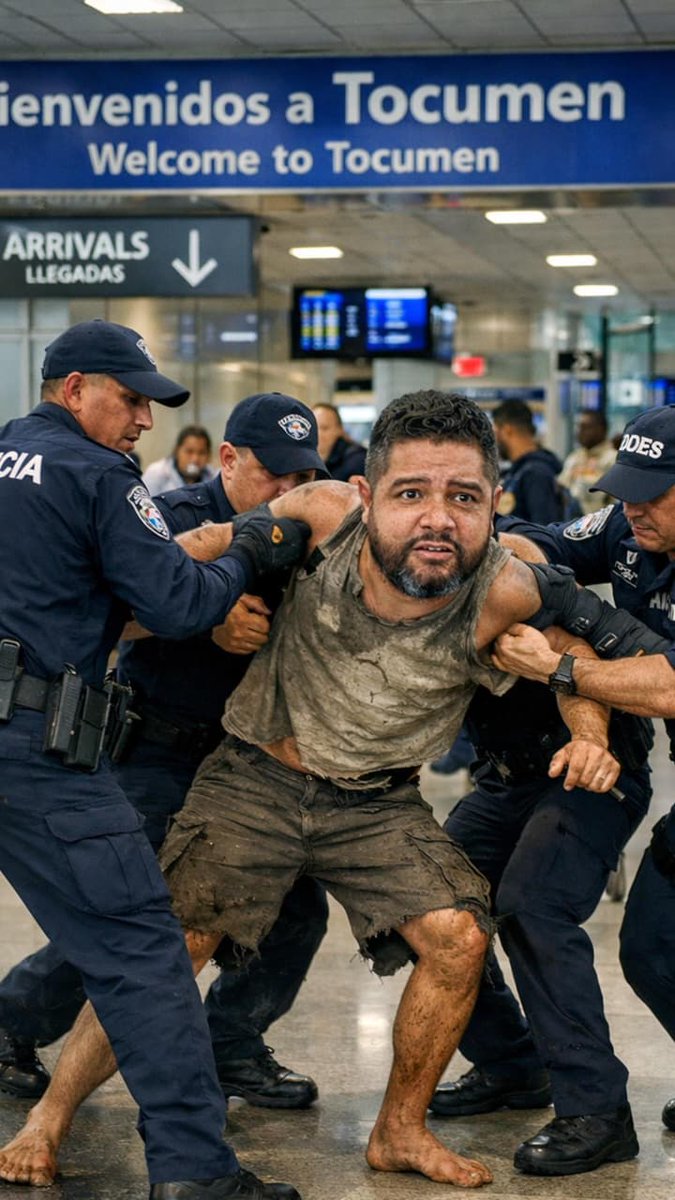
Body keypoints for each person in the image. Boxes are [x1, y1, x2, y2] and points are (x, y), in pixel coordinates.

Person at [4, 389, 632, 1192]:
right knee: (168, 946)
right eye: (411, 493)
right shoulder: (321, 518)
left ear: (491, 503)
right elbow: (186, 554)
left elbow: (567, 639)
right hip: (255, 779)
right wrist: (187, 614)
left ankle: (397, 1131)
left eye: (461, 496)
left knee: (457, 937)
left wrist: (588, 734)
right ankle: (48, 1115)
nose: (435, 517)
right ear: (369, 493)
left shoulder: (503, 577)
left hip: (378, 802)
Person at [0, 318, 309, 1200]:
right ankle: (194, 1170)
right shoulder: (101, 476)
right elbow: (177, 603)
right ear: (74, 390)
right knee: (145, 953)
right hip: (40, 750)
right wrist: (256, 539)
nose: (142, 420)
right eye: (129, 399)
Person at [474, 405, 675, 1166]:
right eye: (627, 489)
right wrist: (520, 580)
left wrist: (559, 663)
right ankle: (514, 1067)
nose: (633, 507)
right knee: (655, 947)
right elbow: (536, 545)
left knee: (647, 938)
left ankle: (594, 1113)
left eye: (654, 493)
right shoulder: (627, 526)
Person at [430, 648, 652, 1177]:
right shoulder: (417, 594)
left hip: (593, 773)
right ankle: (512, 1065)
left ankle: (598, 1108)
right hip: (506, 780)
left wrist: (592, 737)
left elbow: (581, 655)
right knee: (429, 905)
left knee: (534, 907)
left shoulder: (535, 583)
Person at [493, 399, 567, 524]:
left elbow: (544, 531)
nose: (494, 440)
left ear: (507, 430)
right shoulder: (517, 471)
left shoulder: (536, 473)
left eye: (495, 432)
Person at [558, 409, 616, 515]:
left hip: (601, 522)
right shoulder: (575, 457)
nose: (580, 432)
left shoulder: (613, 458)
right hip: (571, 523)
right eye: (579, 427)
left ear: (602, 429)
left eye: (586, 428)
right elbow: (562, 487)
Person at [143, 423, 215, 492]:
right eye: (189, 452)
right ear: (176, 451)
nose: (195, 459)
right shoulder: (155, 474)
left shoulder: (214, 478)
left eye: (201, 453)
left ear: (208, 455)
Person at [313, 403, 367, 481]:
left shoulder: (357, 461)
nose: (318, 433)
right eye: (314, 427)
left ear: (339, 430)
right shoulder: (305, 461)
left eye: (324, 428)